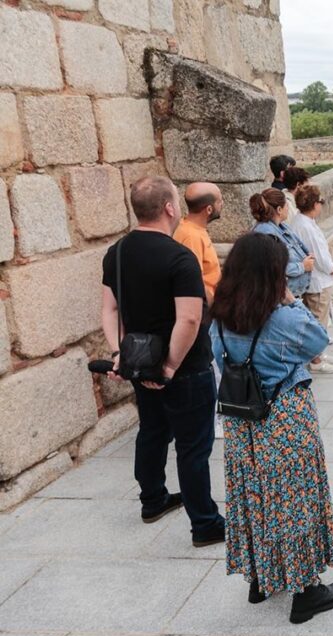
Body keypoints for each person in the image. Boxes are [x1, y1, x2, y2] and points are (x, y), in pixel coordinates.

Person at [210, 233, 333, 623]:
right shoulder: (283, 317)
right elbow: (319, 341)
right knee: (294, 498)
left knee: (253, 494)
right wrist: (290, 302)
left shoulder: (220, 317)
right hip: (283, 418)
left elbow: (217, 357)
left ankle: (260, 577)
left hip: (240, 421)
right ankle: (307, 591)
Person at [100, 176, 225, 546]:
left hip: (139, 361)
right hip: (185, 368)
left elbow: (109, 309)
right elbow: (188, 318)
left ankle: (152, 499)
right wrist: (170, 366)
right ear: (170, 208)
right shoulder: (178, 257)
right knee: (192, 447)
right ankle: (205, 523)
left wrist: (119, 353)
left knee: (152, 432)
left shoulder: (116, 252)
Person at [291, 184, 333, 375]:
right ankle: (316, 359)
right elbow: (319, 255)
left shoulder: (301, 222)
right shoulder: (306, 226)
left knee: (315, 319)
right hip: (317, 281)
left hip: (312, 280)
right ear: (314, 204)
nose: (322, 205)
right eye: (320, 201)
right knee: (318, 321)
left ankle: (317, 353)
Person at [250, 189, 315, 298]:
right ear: (279, 209)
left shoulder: (281, 227)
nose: (288, 208)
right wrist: (302, 266)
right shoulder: (267, 234)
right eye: (287, 206)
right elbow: (273, 268)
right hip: (279, 298)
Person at [174, 182, 223, 303]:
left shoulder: (191, 227)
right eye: (219, 201)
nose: (222, 204)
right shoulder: (191, 237)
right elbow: (195, 281)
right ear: (209, 209)